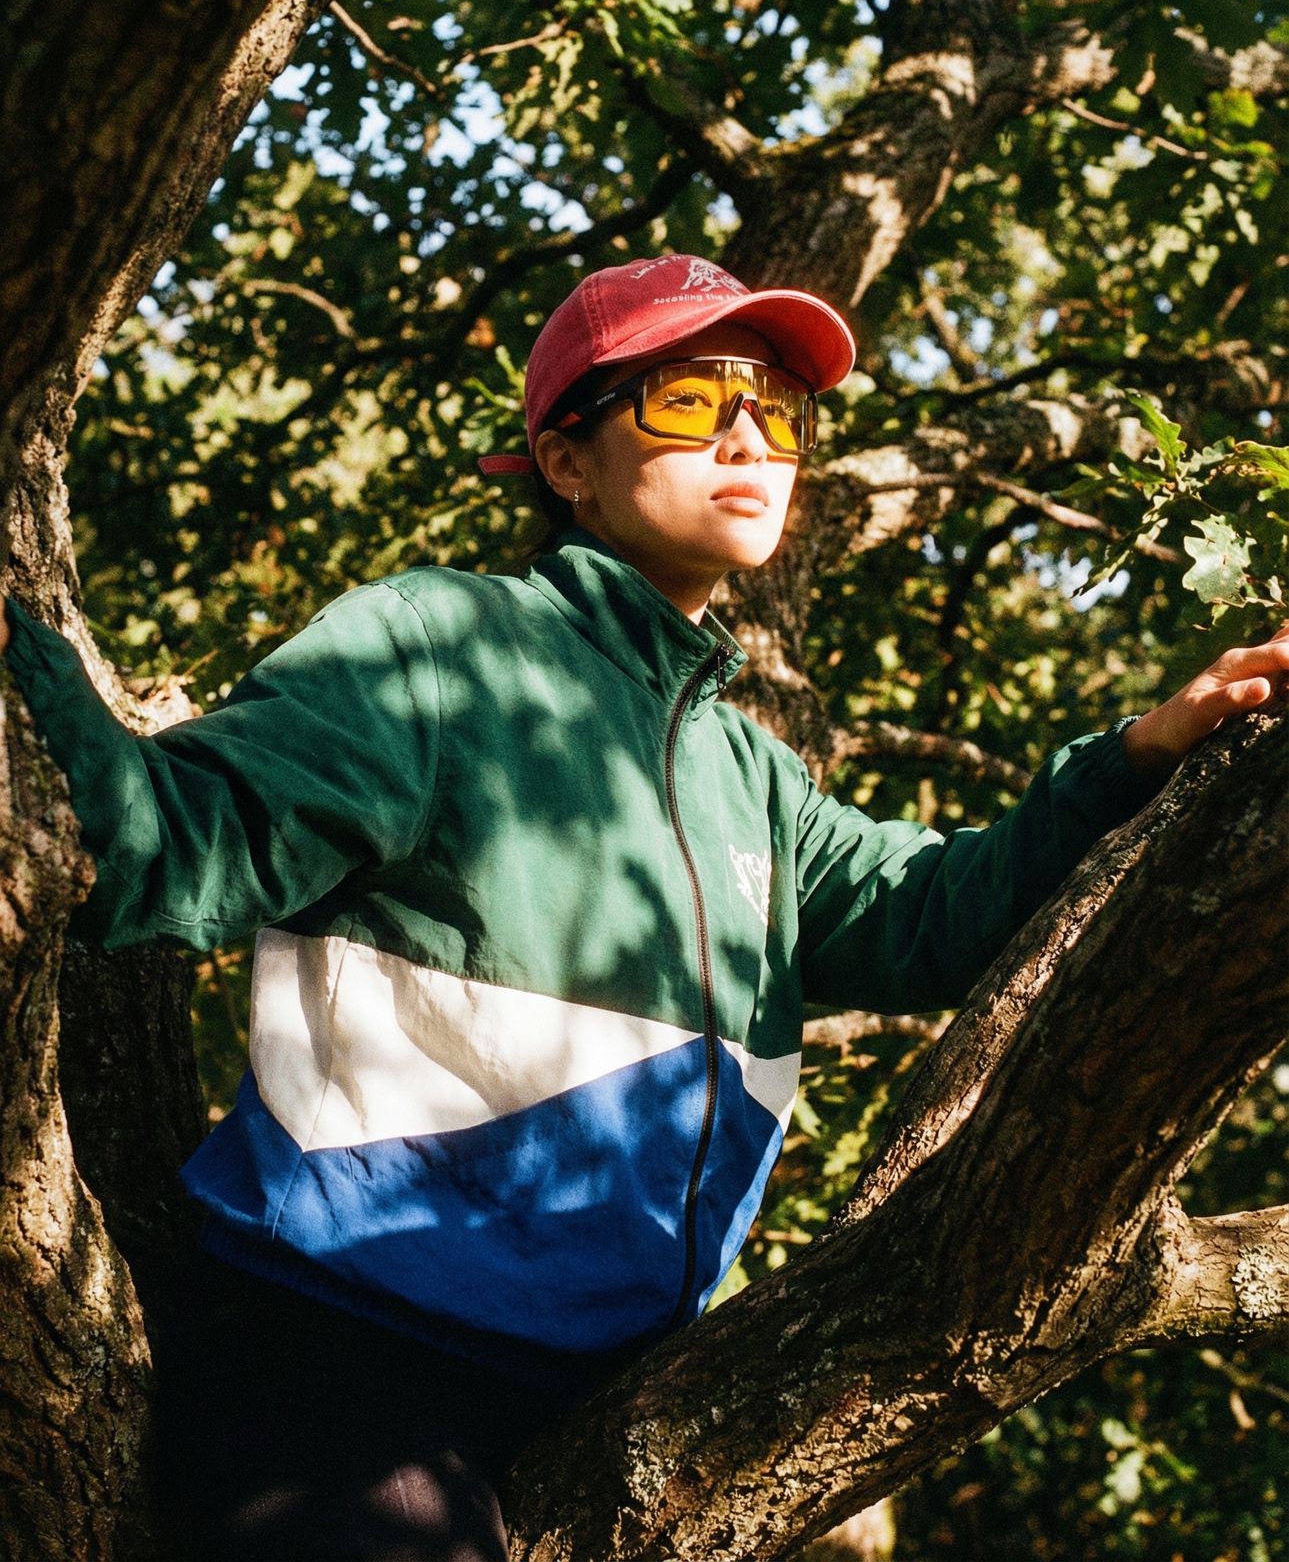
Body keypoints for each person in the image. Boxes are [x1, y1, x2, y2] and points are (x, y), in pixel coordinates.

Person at [2, 251, 1286, 1562]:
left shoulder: (753, 778)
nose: (748, 435)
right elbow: (166, 842)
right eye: (688, 399)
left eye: (776, 409)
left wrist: (1138, 759)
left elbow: (936, 913)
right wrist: (23, 673)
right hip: (347, 1354)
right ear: (566, 461)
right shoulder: (438, 644)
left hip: (605, 1400)